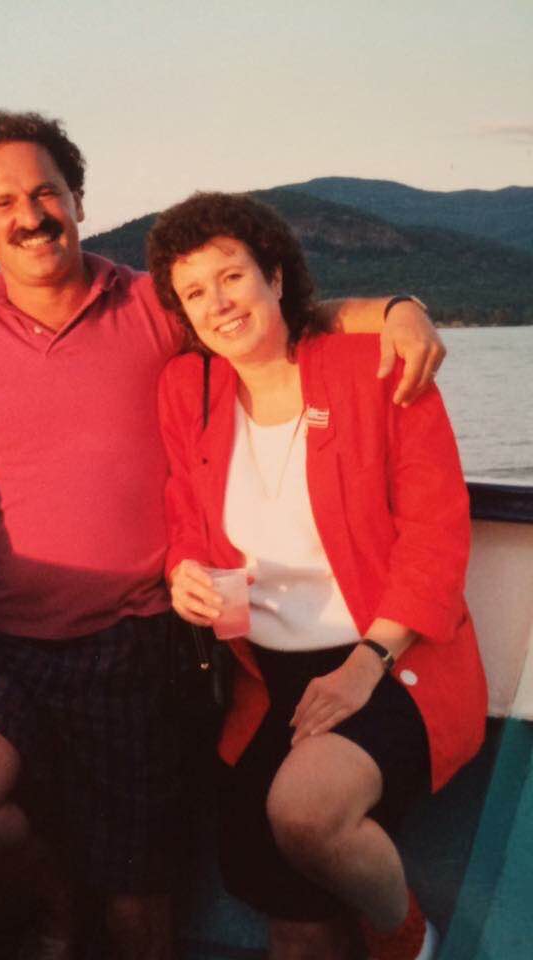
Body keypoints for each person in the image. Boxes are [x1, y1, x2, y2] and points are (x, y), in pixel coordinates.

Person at [0, 111, 445, 960]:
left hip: (140, 642)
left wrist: (400, 309)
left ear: (78, 198)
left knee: (138, 918)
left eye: (46, 191)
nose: (30, 215)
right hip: (12, 640)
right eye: (2, 202)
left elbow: (275, 316)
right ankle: (50, 890)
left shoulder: (155, 304)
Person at [148, 191, 487, 960]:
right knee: (285, 912)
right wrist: (183, 573)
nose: (218, 303)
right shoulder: (187, 389)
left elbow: (437, 535)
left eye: (232, 277)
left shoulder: (376, 367)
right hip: (268, 681)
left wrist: (366, 665)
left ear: (274, 276)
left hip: (395, 660)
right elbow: (185, 514)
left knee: (303, 811)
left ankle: (406, 939)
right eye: (194, 292)